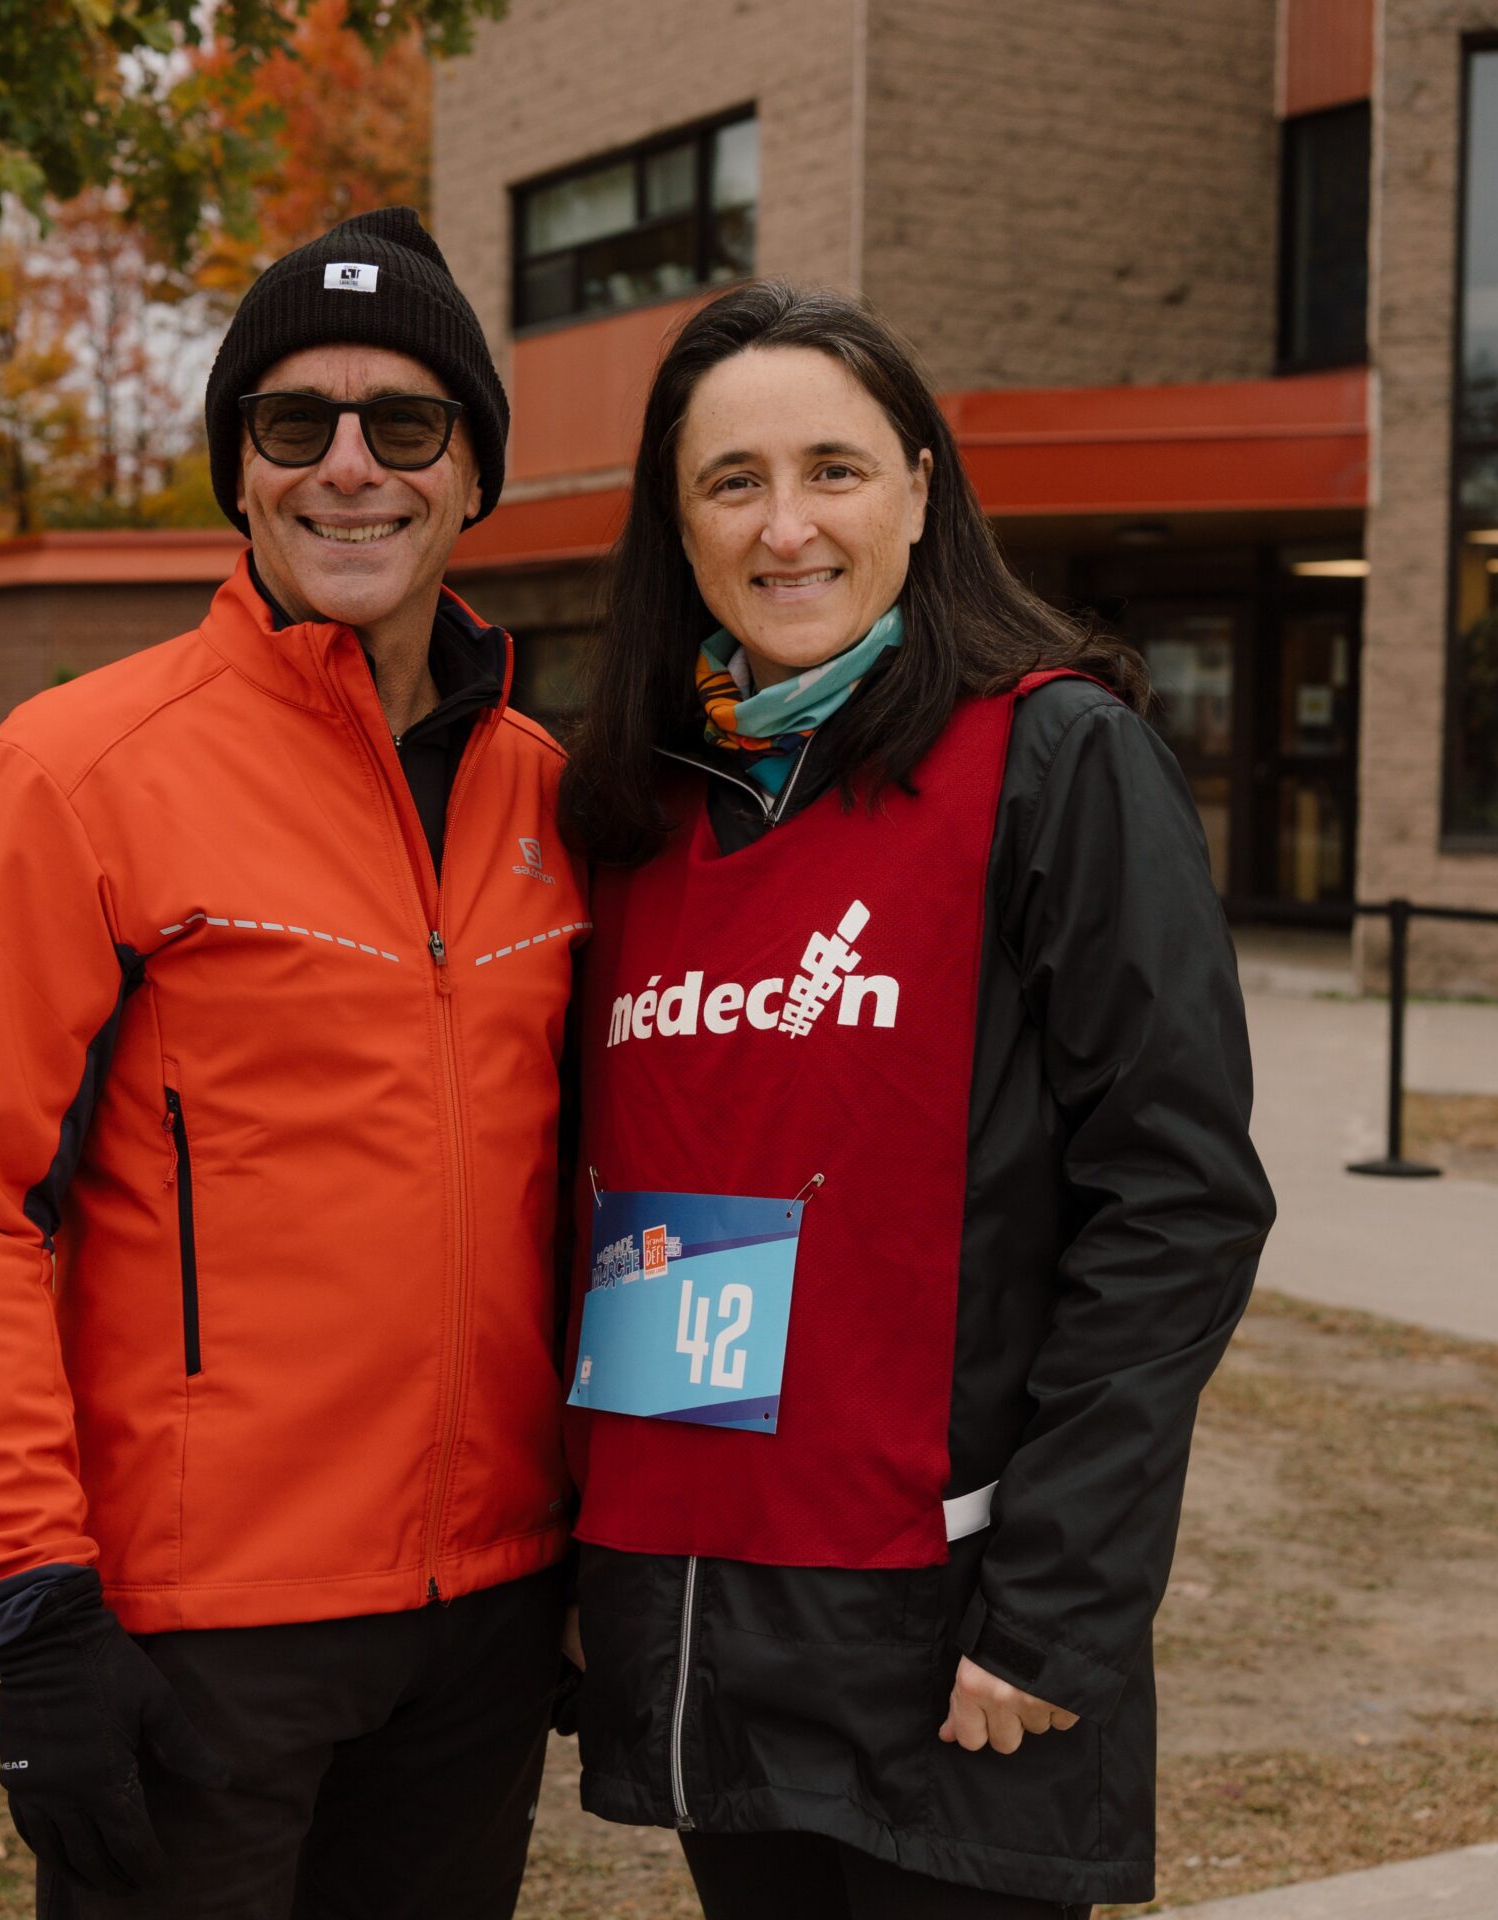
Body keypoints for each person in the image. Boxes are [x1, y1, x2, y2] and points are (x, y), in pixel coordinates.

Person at [0, 207, 589, 1919]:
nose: (350, 468)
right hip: (203, 1638)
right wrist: (35, 1606)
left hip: (487, 1618)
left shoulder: (552, 793)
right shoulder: (75, 774)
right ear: (242, 473)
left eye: (404, 424)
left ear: (472, 472)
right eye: (295, 426)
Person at [555, 282, 1275, 1919]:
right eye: (732, 482)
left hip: (952, 1637)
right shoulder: (637, 810)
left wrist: (1054, 1610)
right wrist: (603, 1550)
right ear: (677, 530)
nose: (786, 525)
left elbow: (1178, 1207)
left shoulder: (1055, 759)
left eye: (836, 468)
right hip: (707, 1620)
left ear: (923, 492)